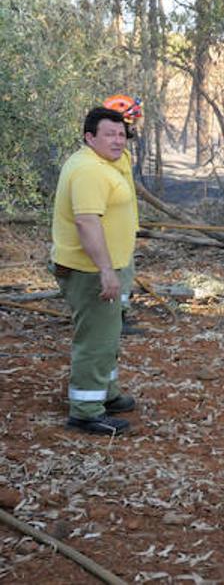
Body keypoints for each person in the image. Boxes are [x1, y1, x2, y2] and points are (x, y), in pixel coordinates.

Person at [50, 107, 140, 435]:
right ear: (90, 137)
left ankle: (106, 392)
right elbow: (87, 223)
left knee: (108, 334)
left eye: (121, 134)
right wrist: (106, 271)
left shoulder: (105, 163)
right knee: (96, 339)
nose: (118, 140)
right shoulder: (89, 170)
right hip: (90, 270)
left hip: (108, 264)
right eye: (109, 134)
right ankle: (86, 410)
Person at [102, 94, 143, 332]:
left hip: (125, 229)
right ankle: (114, 320)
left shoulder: (123, 155)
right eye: (132, 123)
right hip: (112, 231)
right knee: (119, 274)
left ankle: (120, 314)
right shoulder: (108, 158)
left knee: (126, 273)